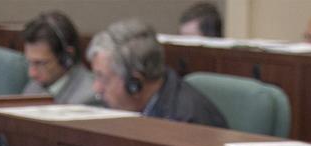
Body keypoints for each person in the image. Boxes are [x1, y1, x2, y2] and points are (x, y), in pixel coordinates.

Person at [86, 21, 226, 128]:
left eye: (102, 78)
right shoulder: (112, 108)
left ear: (134, 84)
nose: (96, 88)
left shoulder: (187, 123)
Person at [20, 12, 95, 106]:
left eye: (41, 63)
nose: (32, 73)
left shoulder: (87, 98)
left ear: (67, 57)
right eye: (29, 62)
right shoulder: (34, 87)